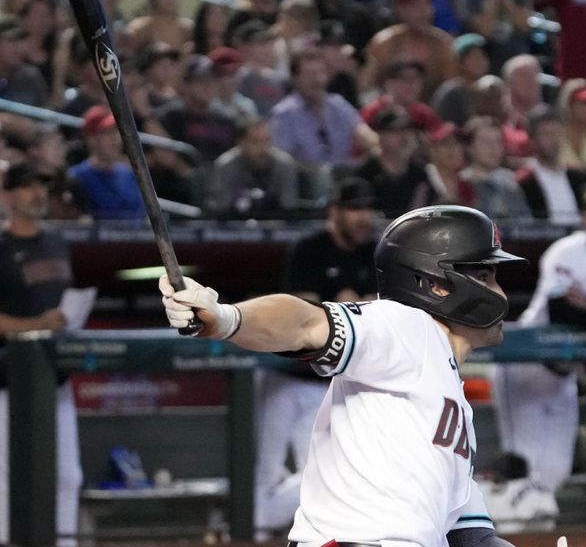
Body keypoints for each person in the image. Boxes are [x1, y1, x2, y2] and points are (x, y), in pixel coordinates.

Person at [160, 204, 528, 547]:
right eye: (484, 275)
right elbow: (305, 323)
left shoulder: (450, 398)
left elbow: (471, 535)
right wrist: (228, 318)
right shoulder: (408, 328)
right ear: (436, 283)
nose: (498, 291)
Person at [490, 184, 586, 530]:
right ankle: (500, 532)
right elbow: (564, 311)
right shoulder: (565, 252)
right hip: (526, 365)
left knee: (556, 471)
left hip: (564, 373)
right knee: (520, 465)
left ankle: (526, 529)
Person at [253, 177, 377, 541]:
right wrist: (344, 305)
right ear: (333, 212)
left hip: (327, 385)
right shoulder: (309, 249)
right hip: (285, 379)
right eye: (354, 208)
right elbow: (303, 315)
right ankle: (252, 532)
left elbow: (375, 311)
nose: (362, 217)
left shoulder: (372, 254)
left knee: (322, 477)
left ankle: (277, 529)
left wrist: (337, 306)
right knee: (262, 474)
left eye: (366, 209)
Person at [0, 162, 82, 547]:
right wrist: (34, 323)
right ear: (8, 195)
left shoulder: (56, 242)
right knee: (4, 478)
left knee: (68, 476)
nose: (37, 194)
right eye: (28, 186)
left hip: (55, 376)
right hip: (6, 379)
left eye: (42, 187)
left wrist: (65, 318)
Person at [68, 106, 146, 220]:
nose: (115, 139)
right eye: (107, 134)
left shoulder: (129, 174)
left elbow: (143, 216)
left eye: (116, 132)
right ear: (91, 139)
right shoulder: (76, 177)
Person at [516, 108, 586, 224]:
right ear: (533, 140)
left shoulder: (579, 179)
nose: (554, 139)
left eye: (557, 133)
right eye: (546, 134)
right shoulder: (524, 181)